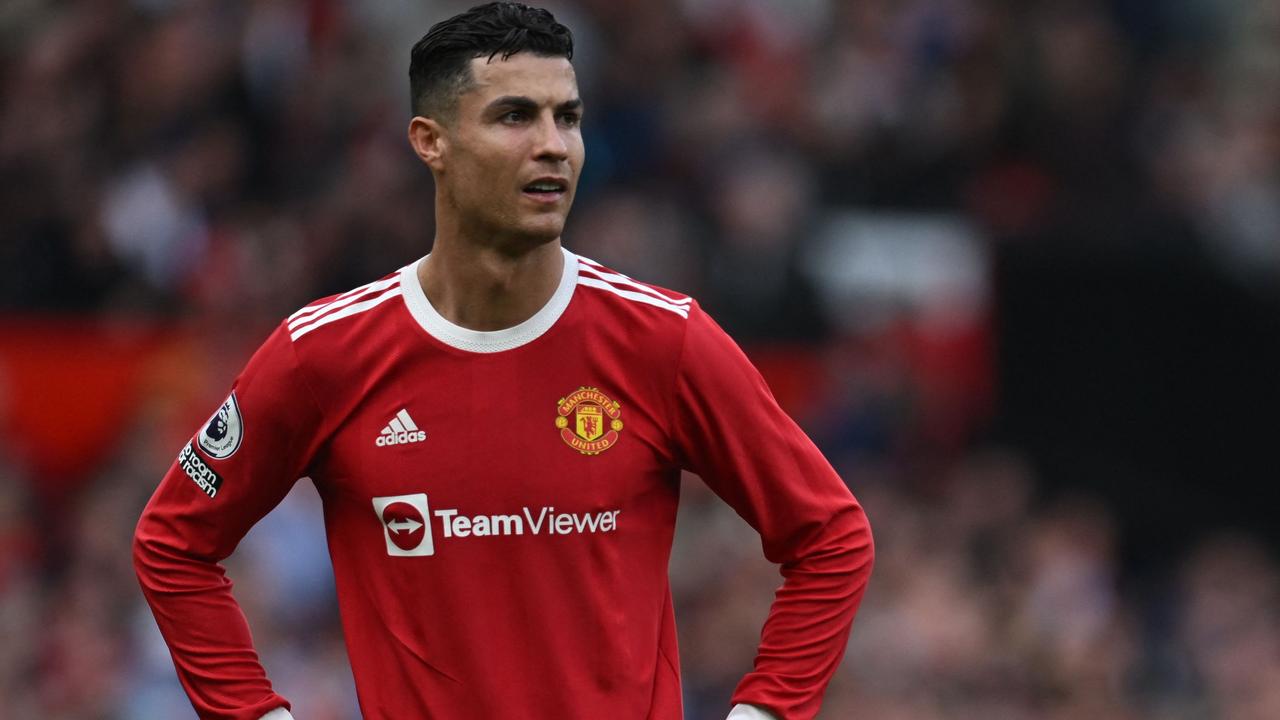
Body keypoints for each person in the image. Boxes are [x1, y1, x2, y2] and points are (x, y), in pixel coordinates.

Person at [133, 3, 873, 719]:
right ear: (431, 141)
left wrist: (766, 712)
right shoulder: (320, 356)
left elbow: (831, 538)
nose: (553, 144)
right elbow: (173, 544)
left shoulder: (663, 340)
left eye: (569, 117)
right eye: (515, 115)